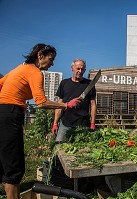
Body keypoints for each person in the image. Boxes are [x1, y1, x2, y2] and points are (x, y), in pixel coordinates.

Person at [0, 43, 81, 199]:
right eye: (50, 59)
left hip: (2, 112)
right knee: (13, 168)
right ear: (40, 55)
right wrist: (65, 105)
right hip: (10, 114)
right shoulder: (35, 72)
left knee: (2, 162)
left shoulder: (19, 69)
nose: (52, 63)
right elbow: (41, 102)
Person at [51, 58, 97, 142]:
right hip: (65, 123)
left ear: (85, 70)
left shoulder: (89, 84)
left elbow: (93, 104)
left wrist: (92, 123)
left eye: (82, 69)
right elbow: (59, 104)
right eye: (78, 68)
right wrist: (55, 123)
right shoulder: (64, 83)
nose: (80, 71)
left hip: (83, 124)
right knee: (58, 145)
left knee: (82, 150)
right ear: (72, 68)